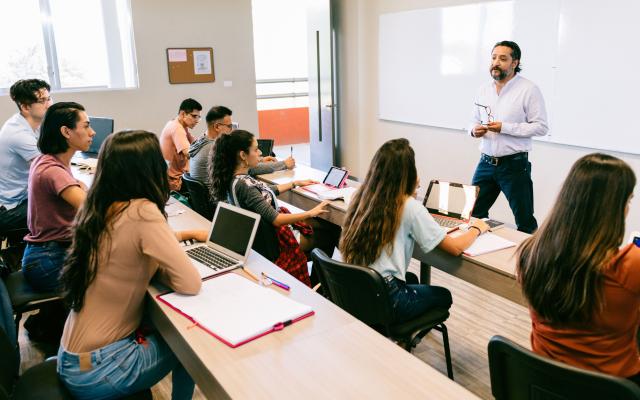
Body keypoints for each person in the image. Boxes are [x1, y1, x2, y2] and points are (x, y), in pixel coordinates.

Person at [58, 130, 205, 400]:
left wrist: (181, 238)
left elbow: (126, 247)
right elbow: (190, 283)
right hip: (101, 368)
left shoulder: (99, 206)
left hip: (73, 358)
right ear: (148, 169)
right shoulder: (142, 211)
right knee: (190, 344)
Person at [517, 153, 640, 384]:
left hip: (545, 382)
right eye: (628, 200)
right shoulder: (631, 264)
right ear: (613, 207)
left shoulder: (530, 252)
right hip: (614, 388)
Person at [340, 138, 489, 323]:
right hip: (387, 297)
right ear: (408, 173)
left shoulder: (361, 196)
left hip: (357, 288)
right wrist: (477, 228)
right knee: (443, 296)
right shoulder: (409, 207)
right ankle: (403, 340)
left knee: (411, 278)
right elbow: (456, 248)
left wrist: (409, 193)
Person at [209, 130, 335, 286]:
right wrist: (310, 212)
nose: (260, 153)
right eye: (256, 149)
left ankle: (317, 281)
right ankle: (318, 284)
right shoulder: (244, 185)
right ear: (243, 155)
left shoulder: (234, 178)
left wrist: (294, 183)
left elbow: (262, 195)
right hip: (276, 243)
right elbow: (276, 220)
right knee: (331, 233)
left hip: (261, 239)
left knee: (322, 226)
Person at [469, 40, 548, 234]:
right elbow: (472, 121)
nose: (496, 62)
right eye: (494, 57)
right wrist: (473, 130)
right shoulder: (483, 89)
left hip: (514, 166)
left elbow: (541, 127)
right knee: (472, 214)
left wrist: (505, 127)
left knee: (525, 221)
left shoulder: (529, 89)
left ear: (514, 63)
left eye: (503, 59)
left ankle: (529, 262)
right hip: (485, 163)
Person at [22, 102, 94, 293]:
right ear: (66, 132)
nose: (92, 132)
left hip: (44, 254)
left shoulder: (48, 160)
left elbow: (82, 190)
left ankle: (48, 320)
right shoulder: (53, 170)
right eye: (86, 126)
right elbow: (92, 210)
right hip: (48, 261)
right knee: (122, 272)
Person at [189, 105, 295, 188]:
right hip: (219, 203)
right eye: (229, 126)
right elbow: (248, 169)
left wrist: (260, 159)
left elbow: (237, 162)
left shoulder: (201, 141)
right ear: (217, 126)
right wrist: (284, 164)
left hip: (209, 202)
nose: (232, 130)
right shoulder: (215, 148)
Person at [0, 79, 52, 235]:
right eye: (42, 101)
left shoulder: (33, 124)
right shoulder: (19, 134)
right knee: (65, 207)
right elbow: (48, 171)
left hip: (22, 197)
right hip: (9, 210)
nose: (49, 104)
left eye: (49, 98)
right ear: (25, 106)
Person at [160, 98, 202, 192]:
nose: (197, 120)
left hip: (172, 178)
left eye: (198, 117)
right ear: (183, 114)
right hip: (175, 182)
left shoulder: (178, 124)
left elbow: (196, 143)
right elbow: (189, 153)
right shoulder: (177, 128)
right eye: (194, 116)